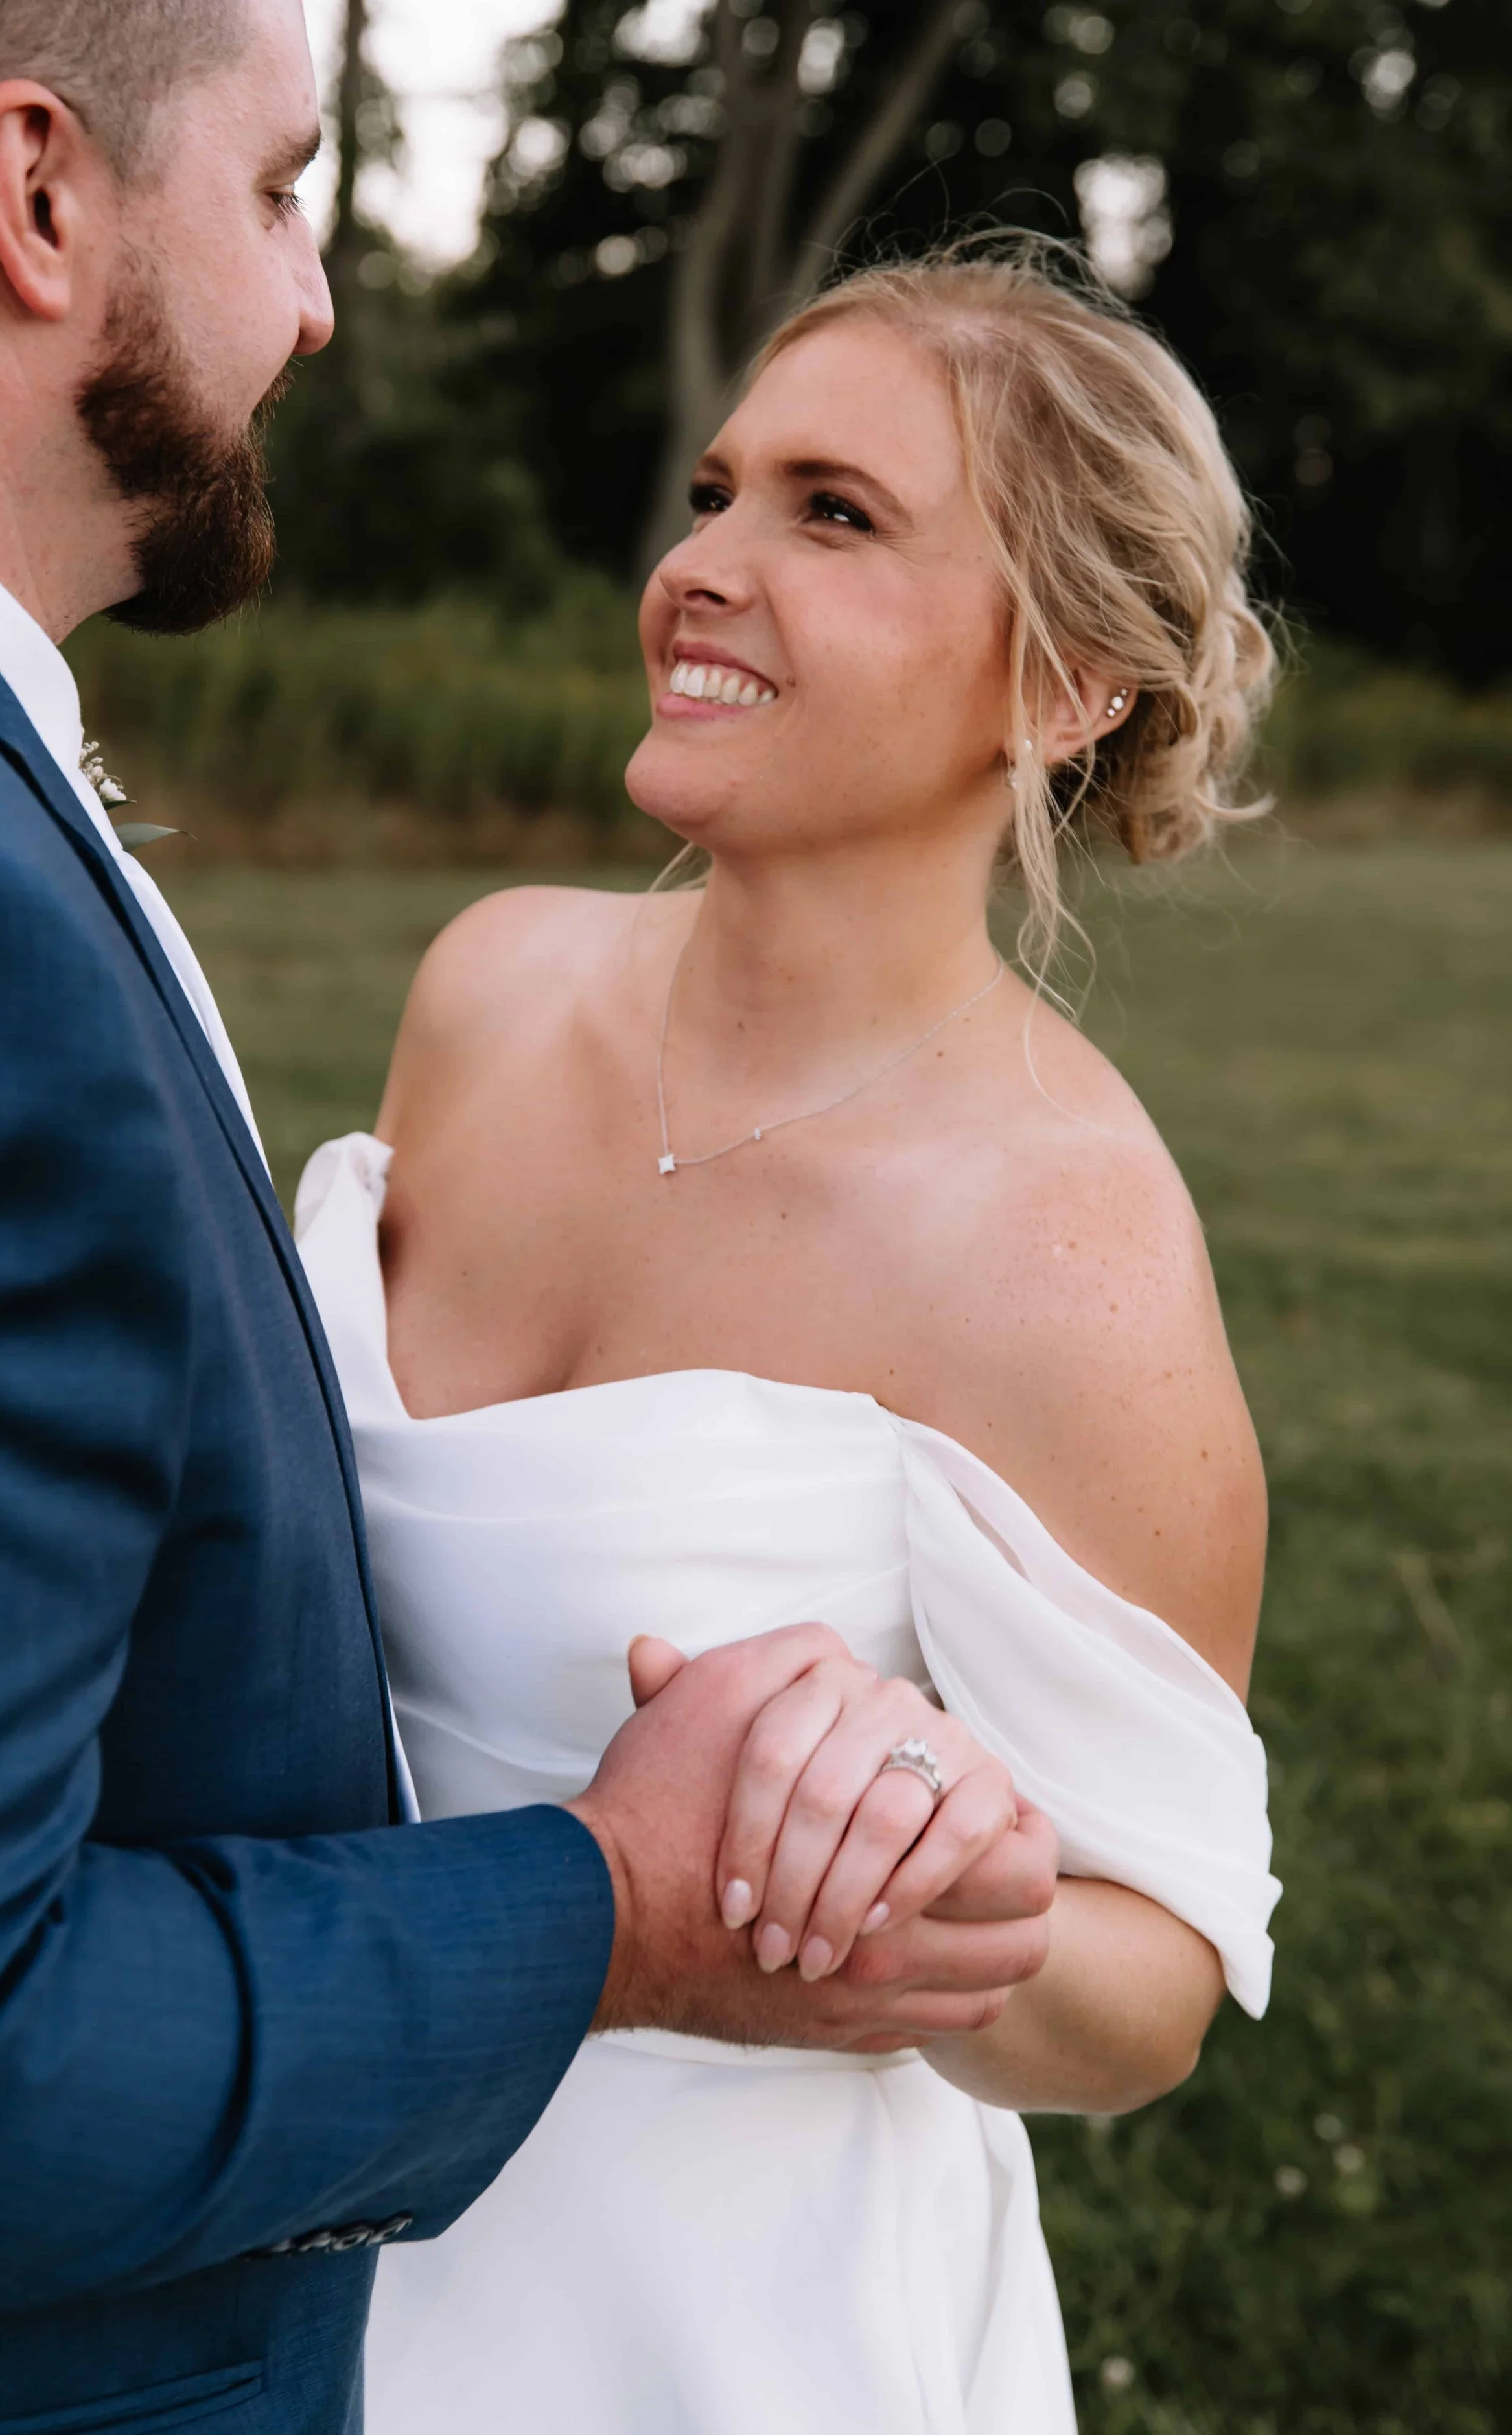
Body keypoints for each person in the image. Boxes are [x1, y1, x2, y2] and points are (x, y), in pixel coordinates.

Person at [0, 7, 1059, 2429]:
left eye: (832, 512)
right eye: (282, 190)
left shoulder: (1073, 1231)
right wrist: (617, 1901)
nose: (319, 304)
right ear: (34, 193)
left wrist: (921, 1864)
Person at [294, 242, 1285, 2433]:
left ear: (1065, 685)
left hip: (726, 2330)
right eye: (721, 487)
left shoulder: (1068, 1251)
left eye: (832, 516)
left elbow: (1154, 1983)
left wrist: (955, 1904)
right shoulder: (487, 989)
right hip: (309, 2181)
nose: (703, 566)